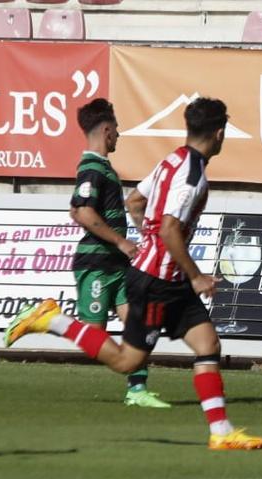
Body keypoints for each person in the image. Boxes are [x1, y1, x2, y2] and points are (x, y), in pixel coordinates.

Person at [4, 97, 262, 451]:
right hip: (158, 283)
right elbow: (171, 229)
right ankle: (52, 320)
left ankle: (221, 432)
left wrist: (151, 240)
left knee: (208, 345)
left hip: (164, 276)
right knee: (128, 360)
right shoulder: (191, 178)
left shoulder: (171, 160)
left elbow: (134, 203)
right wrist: (196, 276)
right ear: (219, 134)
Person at [66, 98, 170, 409]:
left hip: (115, 265)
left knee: (138, 323)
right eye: (117, 130)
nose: (119, 136)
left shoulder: (102, 169)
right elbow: (84, 213)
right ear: (107, 130)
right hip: (96, 263)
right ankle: (46, 319)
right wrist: (122, 242)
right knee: (92, 337)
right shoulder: (92, 168)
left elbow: (76, 209)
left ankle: (137, 390)